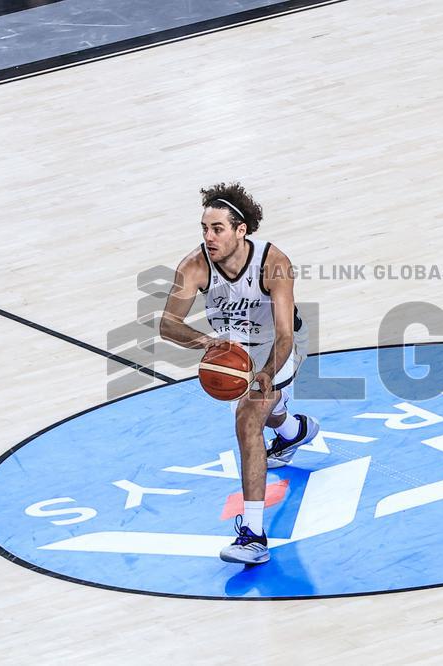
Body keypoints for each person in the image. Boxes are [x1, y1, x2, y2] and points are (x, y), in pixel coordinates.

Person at [160, 182, 319, 565]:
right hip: (232, 344)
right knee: (263, 410)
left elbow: (283, 334)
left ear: (241, 230)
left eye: (218, 229)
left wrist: (266, 372)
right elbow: (168, 324)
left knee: (248, 419)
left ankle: (253, 536)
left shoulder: (273, 263)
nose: (209, 237)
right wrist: (206, 343)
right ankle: (292, 430)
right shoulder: (195, 266)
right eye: (204, 229)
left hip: (280, 344)